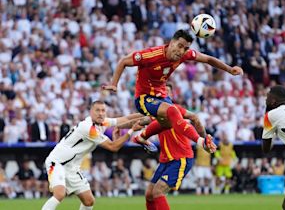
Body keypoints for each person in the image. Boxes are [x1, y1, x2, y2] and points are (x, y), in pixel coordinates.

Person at [102, 29, 242, 148]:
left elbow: (208, 59)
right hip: (144, 98)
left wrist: (230, 69)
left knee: (191, 117)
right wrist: (114, 84)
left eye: (185, 48)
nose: (182, 51)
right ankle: (201, 142)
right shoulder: (152, 55)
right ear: (172, 42)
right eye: (180, 46)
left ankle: (206, 140)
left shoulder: (184, 55)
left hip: (162, 96)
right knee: (171, 112)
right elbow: (124, 61)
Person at [41, 101, 147, 210]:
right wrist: (131, 131)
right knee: (60, 194)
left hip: (72, 167)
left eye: (103, 110)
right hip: (57, 162)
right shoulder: (89, 128)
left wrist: (149, 115)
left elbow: (125, 119)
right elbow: (113, 147)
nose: (100, 113)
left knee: (89, 201)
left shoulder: (103, 122)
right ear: (91, 112)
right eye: (97, 110)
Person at [133, 84, 217, 210]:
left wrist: (205, 139)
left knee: (158, 192)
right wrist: (117, 125)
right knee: (149, 194)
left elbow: (194, 117)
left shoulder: (175, 109)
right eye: (161, 92)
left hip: (180, 158)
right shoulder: (155, 114)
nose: (162, 94)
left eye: (166, 92)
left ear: (171, 95)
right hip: (165, 160)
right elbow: (139, 121)